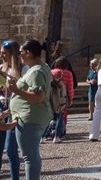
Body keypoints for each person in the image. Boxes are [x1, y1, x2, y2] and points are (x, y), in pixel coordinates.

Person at [6, 39, 52, 180]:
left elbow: (38, 97)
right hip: (31, 117)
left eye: (21, 52)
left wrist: (15, 90)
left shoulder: (36, 71)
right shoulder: (40, 68)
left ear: (29, 53)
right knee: (31, 156)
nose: (19, 55)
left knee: (29, 157)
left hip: (30, 119)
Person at [0, 40, 23, 180]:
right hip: (1, 107)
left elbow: (21, 93)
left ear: (12, 54)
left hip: (13, 110)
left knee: (10, 150)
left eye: (4, 53)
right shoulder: (2, 68)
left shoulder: (22, 70)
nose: (2, 55)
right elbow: (1, 92)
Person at [50, 57, 74, 139]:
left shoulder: (51, 72)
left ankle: (47, 133)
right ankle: (59, 134)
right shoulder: (68, 73)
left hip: (51, 97)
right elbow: (70, 88)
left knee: (50, 116)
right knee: (61, 116)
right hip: (62, 97)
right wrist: (71, 98)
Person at [46, 69, 67, 143]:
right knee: (59, 120)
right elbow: (63, 96)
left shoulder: (49, 84)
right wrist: (64, 104)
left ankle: (44, 136)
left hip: (49, 105)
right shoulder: (61, 84)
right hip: (59, 105)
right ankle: (56, 136)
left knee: (47, 121)